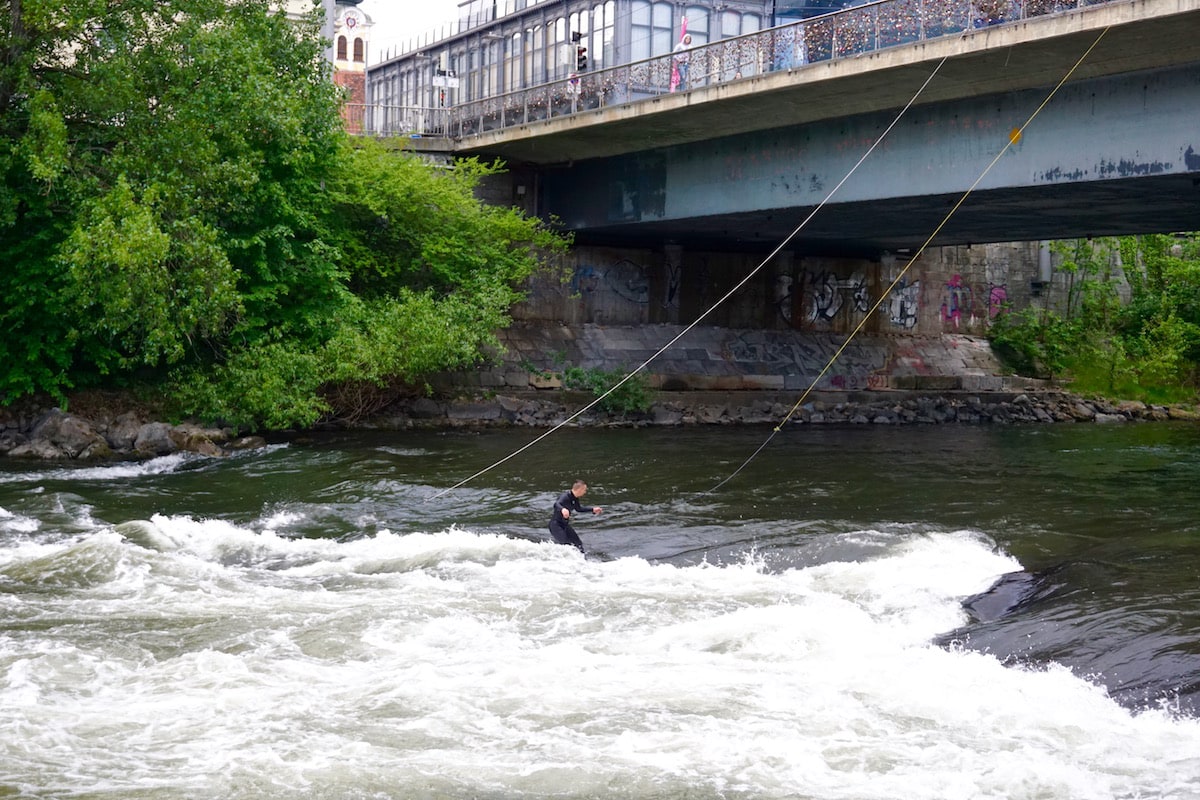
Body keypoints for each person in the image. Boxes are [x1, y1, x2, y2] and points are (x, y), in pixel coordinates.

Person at [549, 479, 602, 552]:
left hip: (564, 524)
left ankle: (582, 561)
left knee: (578, 544)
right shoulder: (565, 496)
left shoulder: (575, 498)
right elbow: (556, 504)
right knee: (566, 545)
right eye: (584, 490)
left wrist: (592, 509)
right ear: (579, 489)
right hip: (556, 525)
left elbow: (578, 509)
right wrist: (563, 509)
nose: (585, 492)